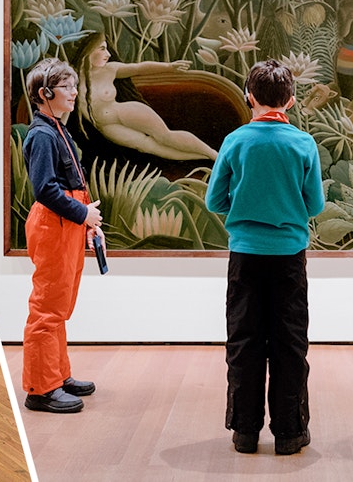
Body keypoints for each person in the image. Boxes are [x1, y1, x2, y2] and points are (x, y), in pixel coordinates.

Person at [205, 59, 325, 456]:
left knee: (244, 340)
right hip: (290, 256)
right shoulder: (304, 144)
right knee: (290, 343)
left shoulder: (235, 141)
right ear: (290, 100)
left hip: (244, 256)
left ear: (248, 97)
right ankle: (290, 433)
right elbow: (315, 205)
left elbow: (214, 200)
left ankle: (244, 431)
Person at [21, 57, 103, 414]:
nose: (74, 92)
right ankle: (40, 388)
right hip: (53, 226)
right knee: (47, 308)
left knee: (60, 306)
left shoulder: (56, 129)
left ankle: (57, 375)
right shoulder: (41, 135)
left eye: (73, 85)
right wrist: (83, 212)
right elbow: (45, 190)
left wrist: (85, 218)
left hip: (65, 226)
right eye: (67, 87)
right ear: (45, 93)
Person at [74, 32, 217, 161]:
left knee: (164, 136)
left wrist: (169, 67)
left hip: (123, 112)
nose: (108, 54)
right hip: (106, 127)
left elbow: (139, 68)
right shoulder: (70, 77)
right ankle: (205, 158)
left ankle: (213, 155)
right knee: (148, 147)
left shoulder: (110, 69)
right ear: (89, 49)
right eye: (102, 49)